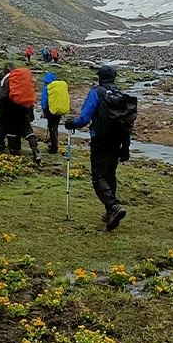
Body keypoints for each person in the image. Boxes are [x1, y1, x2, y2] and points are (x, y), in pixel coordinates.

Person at [65, 65, 134, 231]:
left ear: (100, 78)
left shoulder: (96, 92)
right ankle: (110, 211)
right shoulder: (120, 93)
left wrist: (71, 124)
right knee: (110, 174)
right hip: (117, 140)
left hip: (100, 139)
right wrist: (126, 145)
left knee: (97, 176)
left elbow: (85, 117)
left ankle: (113, 206)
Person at [0, 65, 41, 164]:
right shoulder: (22, 77)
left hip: (12, 107)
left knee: (11, 129)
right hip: (25, 107)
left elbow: (4, 95)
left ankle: (15, 152)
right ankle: (35, 151)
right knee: (27, 129)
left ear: (6, 70)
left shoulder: (7, 79)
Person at [41, 72, 63, 153]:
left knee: (51, 128)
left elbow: (44, 100)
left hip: (50, 111)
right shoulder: (56, 87)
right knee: (55, 127)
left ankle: (54, 147)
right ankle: (54, 144)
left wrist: (44, 110)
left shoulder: (47, 87)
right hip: (58, 110)